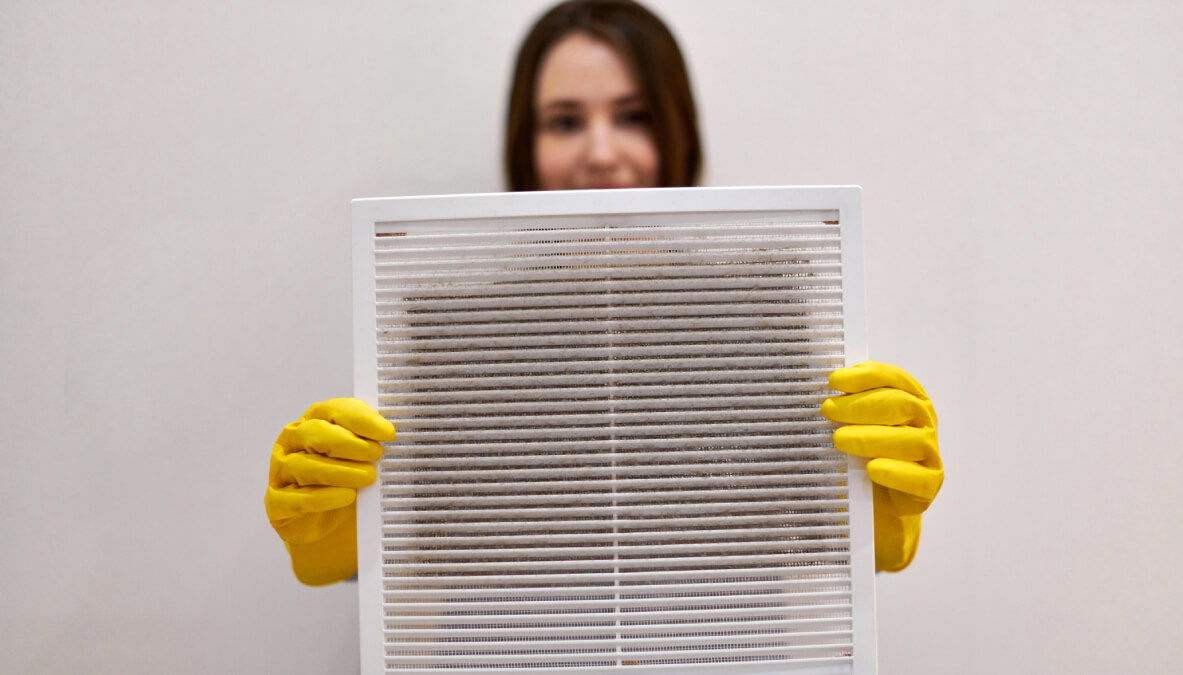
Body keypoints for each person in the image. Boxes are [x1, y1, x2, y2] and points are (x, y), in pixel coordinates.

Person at [264, 0, 944, 587]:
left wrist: (868, 511)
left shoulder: (762, 321)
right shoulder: (456, 335)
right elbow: (419, 537)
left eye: (634, 115)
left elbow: (805, 528)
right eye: (564, 121)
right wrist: (340, 531)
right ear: (524, 143)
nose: (600, 152)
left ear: (676, 129)